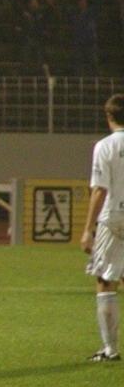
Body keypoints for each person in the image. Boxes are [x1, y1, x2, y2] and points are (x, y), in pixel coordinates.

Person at [81, 94, 124, 362]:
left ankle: (110, 349)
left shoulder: (105, 146)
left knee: (106, 281)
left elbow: (100, 190)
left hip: (112, 217)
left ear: (109, 117)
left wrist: (88, 229)